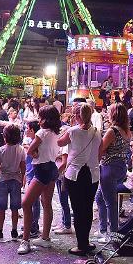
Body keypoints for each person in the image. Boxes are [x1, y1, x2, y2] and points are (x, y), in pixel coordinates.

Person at [57, 103, 102, 255]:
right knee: (87, 208)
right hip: (92, 175)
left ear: (77, 116)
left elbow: (59, 142)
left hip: (75, 174)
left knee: (77, 209)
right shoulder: (97, 132)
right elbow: (99, 153)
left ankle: (80, 244)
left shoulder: (73, 131)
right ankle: (86, 241)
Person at [18, 105, 62, 255]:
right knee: (46, 203)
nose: (39, 120)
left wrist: (36, 155)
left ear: (46, 119)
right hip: (52, 169)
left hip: (41, 170)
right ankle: (45, 238)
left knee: (26, 203)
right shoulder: (56, 133)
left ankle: (25, 240)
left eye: (41, 117)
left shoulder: (41, 133)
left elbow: (30, 151)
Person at [95, 103, 131, 242]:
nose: (107, 114)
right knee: (100, 198)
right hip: (120, 167)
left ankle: (113, 234)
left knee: (110, 202)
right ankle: (103, 229)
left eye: (109, 112)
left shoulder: (112, 131)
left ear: (114, 114)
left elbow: (101, 148)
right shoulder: (126, 130)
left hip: (109, 168)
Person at [0, 124, 26, 240]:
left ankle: (0, 230)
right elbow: (23, 167)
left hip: (3, 180)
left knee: (1, 208)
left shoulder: (0, 150)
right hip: (16, 180)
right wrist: (23, 179)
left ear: (5, 137)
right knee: (15, 208)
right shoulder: (21, 150)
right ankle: (14, 230)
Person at [22, 120, 41, 239]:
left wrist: (28, 148)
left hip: (35, 173)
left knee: (33, 201)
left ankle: (33, 226)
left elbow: (35, 154)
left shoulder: (36, 142)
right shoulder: (31, 141)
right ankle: (31, 224)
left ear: (32, 130)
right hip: (30, 172)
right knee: (33, 201)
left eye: (28, 128)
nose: (26, 131)